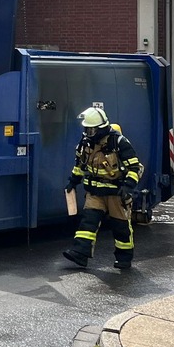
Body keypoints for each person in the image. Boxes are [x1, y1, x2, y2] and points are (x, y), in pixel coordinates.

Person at [63, 106, 144, 270]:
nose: (88, 133)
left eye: (91, 130)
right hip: (95, 192)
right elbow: (80, 164)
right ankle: (80, 253)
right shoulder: (86, 142)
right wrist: (73, 181)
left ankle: (124, 258)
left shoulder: (118, 142)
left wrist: (128, 186)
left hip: (116, 193)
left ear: (101, 128)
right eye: (86, 129)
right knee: (88, 222)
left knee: (120, 227)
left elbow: (136, 167)